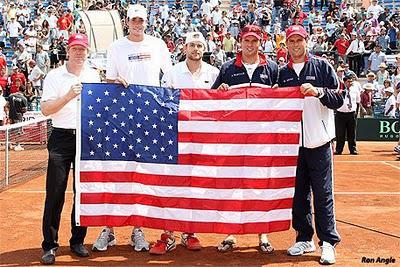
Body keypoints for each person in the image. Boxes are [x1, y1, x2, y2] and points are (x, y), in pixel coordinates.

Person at [92, 4, 172, 253]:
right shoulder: (116, 47)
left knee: (142, 175)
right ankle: (110, 229)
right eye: (133, 20)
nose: (137, 24)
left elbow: (168, 79)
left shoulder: (158, 45)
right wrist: (115, 81)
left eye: (141, 20)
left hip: (149, 119)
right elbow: (109, 79)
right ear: (127, 22)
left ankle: (138, 229)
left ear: (146, 22)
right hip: (120, 117)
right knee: (116, 172)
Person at [146, 32, 220, 255]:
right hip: (175, 138)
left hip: (202, 140)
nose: (196, 49)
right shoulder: (171, 73)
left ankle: (189, 232)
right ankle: (168, 235)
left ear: (204, 49)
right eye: (192, 45)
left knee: (194, 187)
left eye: (199, 45)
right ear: (184, 47)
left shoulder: (214, 73)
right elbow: (164, 106)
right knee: (170, 187)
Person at [277, 25, 343, 265]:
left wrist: (318, 92)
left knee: (323, 194)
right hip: (292, 145)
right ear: (286, 43)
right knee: (298, 195)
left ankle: (328, 242)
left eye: (299, 40)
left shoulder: (323, 66)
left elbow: (339, 98)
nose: (295, 45)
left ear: (307, 41)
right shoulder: (282, 72)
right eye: (291, 41)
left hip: (319, 142)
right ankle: (304, 237)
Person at [211, 25, 279, 254]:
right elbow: (213, 100)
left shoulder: (272, 68)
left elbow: (281, 102)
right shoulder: (228, 68)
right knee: (233, 185)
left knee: (260, 185)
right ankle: (231, 233)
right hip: (233, 139)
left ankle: (263, 233)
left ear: (261, 42)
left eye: (254, 41)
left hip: (262, 140)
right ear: (240, 42)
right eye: (247, 41)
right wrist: (220, 91)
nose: (250, 45)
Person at [40, 33, 101, 265]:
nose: (79, 52)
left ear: (87, 51)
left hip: (85, 137)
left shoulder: (93, 74)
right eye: (75, 48)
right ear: (68, 50)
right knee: (55, 194)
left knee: (82, 193)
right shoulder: (55, 76)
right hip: (61, 137)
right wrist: (68, 96)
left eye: (82, 48)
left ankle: (78, 241)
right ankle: (50, 245)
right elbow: (46, 110)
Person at [334, 75, 360, 155]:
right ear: (344, 82)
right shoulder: (339, 90)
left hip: (351, 114)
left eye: (351, 81)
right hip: (340, 114)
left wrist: (356, 113)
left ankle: (353, 149)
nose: (350, 83)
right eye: (348, 81)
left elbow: (358, 101)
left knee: (352, 133)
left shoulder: (355, 90)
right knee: (340, 133)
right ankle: (339, 149)